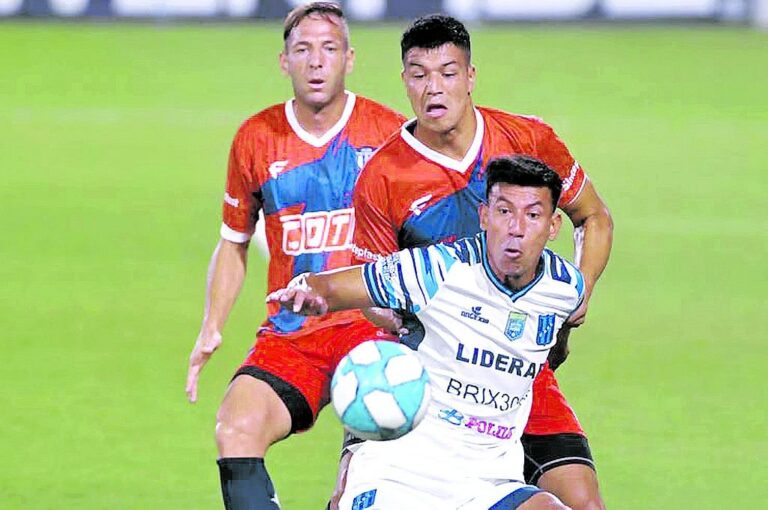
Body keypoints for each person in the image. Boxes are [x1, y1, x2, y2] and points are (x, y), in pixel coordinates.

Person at [342, 14, 614, 510]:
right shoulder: (382, 176)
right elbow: (371, 297)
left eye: (447, 72)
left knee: (583, 504)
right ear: (404, 80)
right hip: (428, 376)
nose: (434, 88)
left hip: (515, 373)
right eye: (420, 75)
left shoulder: (528, 141)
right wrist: (446, 314)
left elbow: (593, 217)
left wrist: (579, 296)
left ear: (470, 77)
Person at [184, 3, 405, 509]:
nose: (316, 61)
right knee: (234, 430)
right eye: (302, 50)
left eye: (329, 49)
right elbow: (234, 241)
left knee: (362, 484)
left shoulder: (391, 134)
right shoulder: (256, 139)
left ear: (350, 58)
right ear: (284, 61)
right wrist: (212, 325)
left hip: (373, 330)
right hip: (293, 334)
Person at [270, 156, 582, 510]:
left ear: (554, 225)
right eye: (504, 211)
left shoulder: (565, 288)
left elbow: (553, 347)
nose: (516, 228)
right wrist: (306, 291)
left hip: (490, 481)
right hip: (402, 471)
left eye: (533, 215)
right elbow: (331, 287)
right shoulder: (435, 269)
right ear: (484, 216)